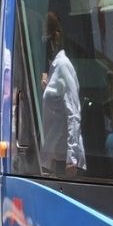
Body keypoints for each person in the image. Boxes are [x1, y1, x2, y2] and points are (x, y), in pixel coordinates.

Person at [39, 12, 85, 177]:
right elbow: (57, 107)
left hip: (63, 162)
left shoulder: (63, 65)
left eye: (46, 38)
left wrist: (71, 158)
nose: (44, 42)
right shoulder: (55, 66)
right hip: (53, 157)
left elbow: (73, 112)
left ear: (56, 37)